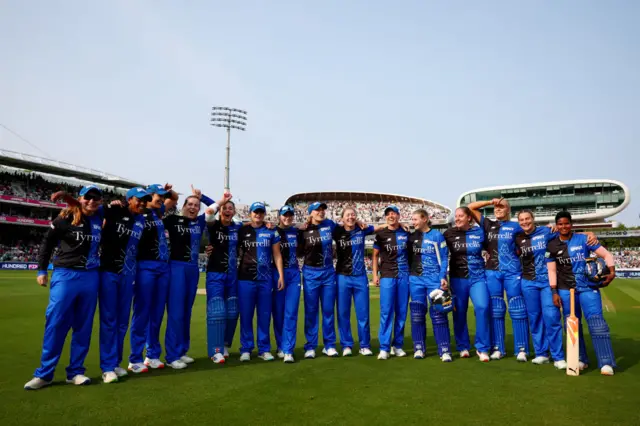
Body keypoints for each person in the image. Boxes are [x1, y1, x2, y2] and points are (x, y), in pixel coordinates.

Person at [25, 185, 104, 390]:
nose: (92, 201)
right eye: (88, 198)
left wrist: (74, 199)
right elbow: (47, 244)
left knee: (83, 327)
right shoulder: (63, 219)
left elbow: (98, 206)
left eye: (96, 198)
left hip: (91, 276)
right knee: (56, 323)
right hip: (65, 275)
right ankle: (45, 374)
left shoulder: (98, 216)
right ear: (80, 198)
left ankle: (76, 372)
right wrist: (42, 270)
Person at [546, 211, 617, 376]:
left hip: (587, 287)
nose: (564, 226)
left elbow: (606, 254)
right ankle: (580, 359)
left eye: (567, 223)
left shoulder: (584, 239)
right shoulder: (551, 245)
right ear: (557, 226)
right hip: (565, 290)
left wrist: (612, 272)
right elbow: (551, 270)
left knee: (597, 322)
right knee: (572, 326)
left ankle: (606, 362)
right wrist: (554, 292)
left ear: (571, 224)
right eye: (560, 224)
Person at [97, 187, 150, 382]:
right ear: (129, 199)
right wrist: (109, 204)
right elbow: (90, 211)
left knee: (121, 322)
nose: (143, 203)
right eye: (139, 200)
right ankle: (107, 367)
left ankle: (116, 363)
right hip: (109, 272)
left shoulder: (142, 220)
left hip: (128, 274)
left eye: (145, 201)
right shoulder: (114, 211)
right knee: (109, 321)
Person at [467, 198, 529, 361]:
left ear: (509, 210)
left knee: (517, 308)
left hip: (512, 271)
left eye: (502, 206)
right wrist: (490, 201)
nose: (498, 209)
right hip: (492, 271)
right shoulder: (488, 224)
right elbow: (470, 207)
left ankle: (521, 348)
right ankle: (498, 348)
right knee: (496, 309)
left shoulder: (516, 226)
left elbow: (533, 233)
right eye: (496, 207)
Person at [163, 186, 217, 369]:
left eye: (196, 205)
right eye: (190, 204)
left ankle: (182, 351)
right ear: (184, 206)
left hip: (192, 268)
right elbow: (159, 210)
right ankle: (171, 356)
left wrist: (203, 197)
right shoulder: (172, 219)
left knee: (187, 311)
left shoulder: (200, 222)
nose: (193, 207)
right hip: (176, 267)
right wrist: (168, 195)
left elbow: (215, 206)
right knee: (176, 312)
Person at [128, 183, 178, 372]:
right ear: (149, 196)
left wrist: (167, 190)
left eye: (162, 196)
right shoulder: (138, 212)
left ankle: (152, 355)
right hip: (145, 266)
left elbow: (174, 198)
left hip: (163, 267)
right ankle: (135, 358)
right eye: (158, 196)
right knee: (142, 314)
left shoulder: (159, 211)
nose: (162, 199)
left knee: (157, 314)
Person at [514, 210, 565, 369]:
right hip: (528, 282)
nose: (525, 222)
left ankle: (558, 357)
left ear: (533, 219)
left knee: (551, 317)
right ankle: (542, 354)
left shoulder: (547, 231)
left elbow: (564, 235)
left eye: (527, 219)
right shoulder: (518, 237)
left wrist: (589, 233)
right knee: (534, 318)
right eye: (521, 220)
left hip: (547, 282)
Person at [237, 202, 284, 362]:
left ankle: (264, 349)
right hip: (245, 279)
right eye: (255, 212)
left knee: (264, 316)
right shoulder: (242, 230)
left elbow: (277, 255)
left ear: (264, 214)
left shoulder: (271, 231)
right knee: (246, 315)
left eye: (260, 212)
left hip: (265, 279)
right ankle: (246, 349)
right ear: (250, 213)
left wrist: (281, 276)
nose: (258, 214)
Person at [443, 207, 491, 362]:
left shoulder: (480, 232)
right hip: (457, 278)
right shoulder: (448, 234)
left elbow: (494, 245)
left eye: (460, 216)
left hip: (478, 277)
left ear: (469, 217)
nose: (457, 218)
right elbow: (438, 252)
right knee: (459, 312)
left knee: (482, 307)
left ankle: (482, 348)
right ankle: (463, 346)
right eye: (455, 216)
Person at [407, 209, 452, 362]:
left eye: (415, 219)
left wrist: (442, 277)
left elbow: (444, 258)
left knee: (439, 313)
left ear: (425, 219)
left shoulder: (437, 235)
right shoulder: (411, 237)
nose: (413, 222)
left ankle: (445, 350)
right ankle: (419, 348)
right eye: (412, 220)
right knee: (417, 314)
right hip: (415, 280)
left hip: (434, 280)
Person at [333, 206, 376, 358]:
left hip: (360, 277)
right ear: (342, 218)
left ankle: (364, 345)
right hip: (342, 277)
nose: (350, 217)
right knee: (343, 313)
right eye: (347, 215)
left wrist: (402, 226)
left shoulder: (362, 229)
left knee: (363, 314)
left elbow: (380, 227)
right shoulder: (336, 231)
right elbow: (320, 225)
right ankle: (346, 345)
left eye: (353, 215)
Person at [298, 202, 339, 359]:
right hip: (310, 272)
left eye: (323, 210)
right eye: (317, 210)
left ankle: (329, 345)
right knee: (311, 311)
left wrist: (358, 222)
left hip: (328, 272)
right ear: (310, 213)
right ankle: (310, 346)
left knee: (328, 310)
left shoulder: (330, 225)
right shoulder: (303, 229)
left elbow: (346, 230)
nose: (321, 212)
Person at [204, 193, 239, 364]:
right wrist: (220, 201)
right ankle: (215, 350)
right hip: (215, 273)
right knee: (217, 311)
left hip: (233, 274)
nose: (227, 210)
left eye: (230, 208)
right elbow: (209, 212)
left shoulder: (237, 228)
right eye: (224, 208)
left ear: (234, 212)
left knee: (233, 311)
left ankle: (225, 344)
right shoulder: (213, 225)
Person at [373, 205, 410, 360]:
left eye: (393, 214)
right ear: (385, 217)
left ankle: (398, 345)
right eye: (388, 214)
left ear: (398, 216)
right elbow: (375, 256)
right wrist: (375, 274)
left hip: (404, 275)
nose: (391, 216)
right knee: (386, 311)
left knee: (401, 312)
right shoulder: (380, 234)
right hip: (387, 275)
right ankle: (384, 347)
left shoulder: (406, 232)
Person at [272, 205, 302, 363]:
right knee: (278, 313)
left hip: (294, 274)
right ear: (280, 216)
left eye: (290, 215)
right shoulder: (272, 231)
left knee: (291, 313)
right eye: (285, 215)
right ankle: (280, 346)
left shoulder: (296, 231)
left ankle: (288, 349)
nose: (288, 218)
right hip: (276, 274)